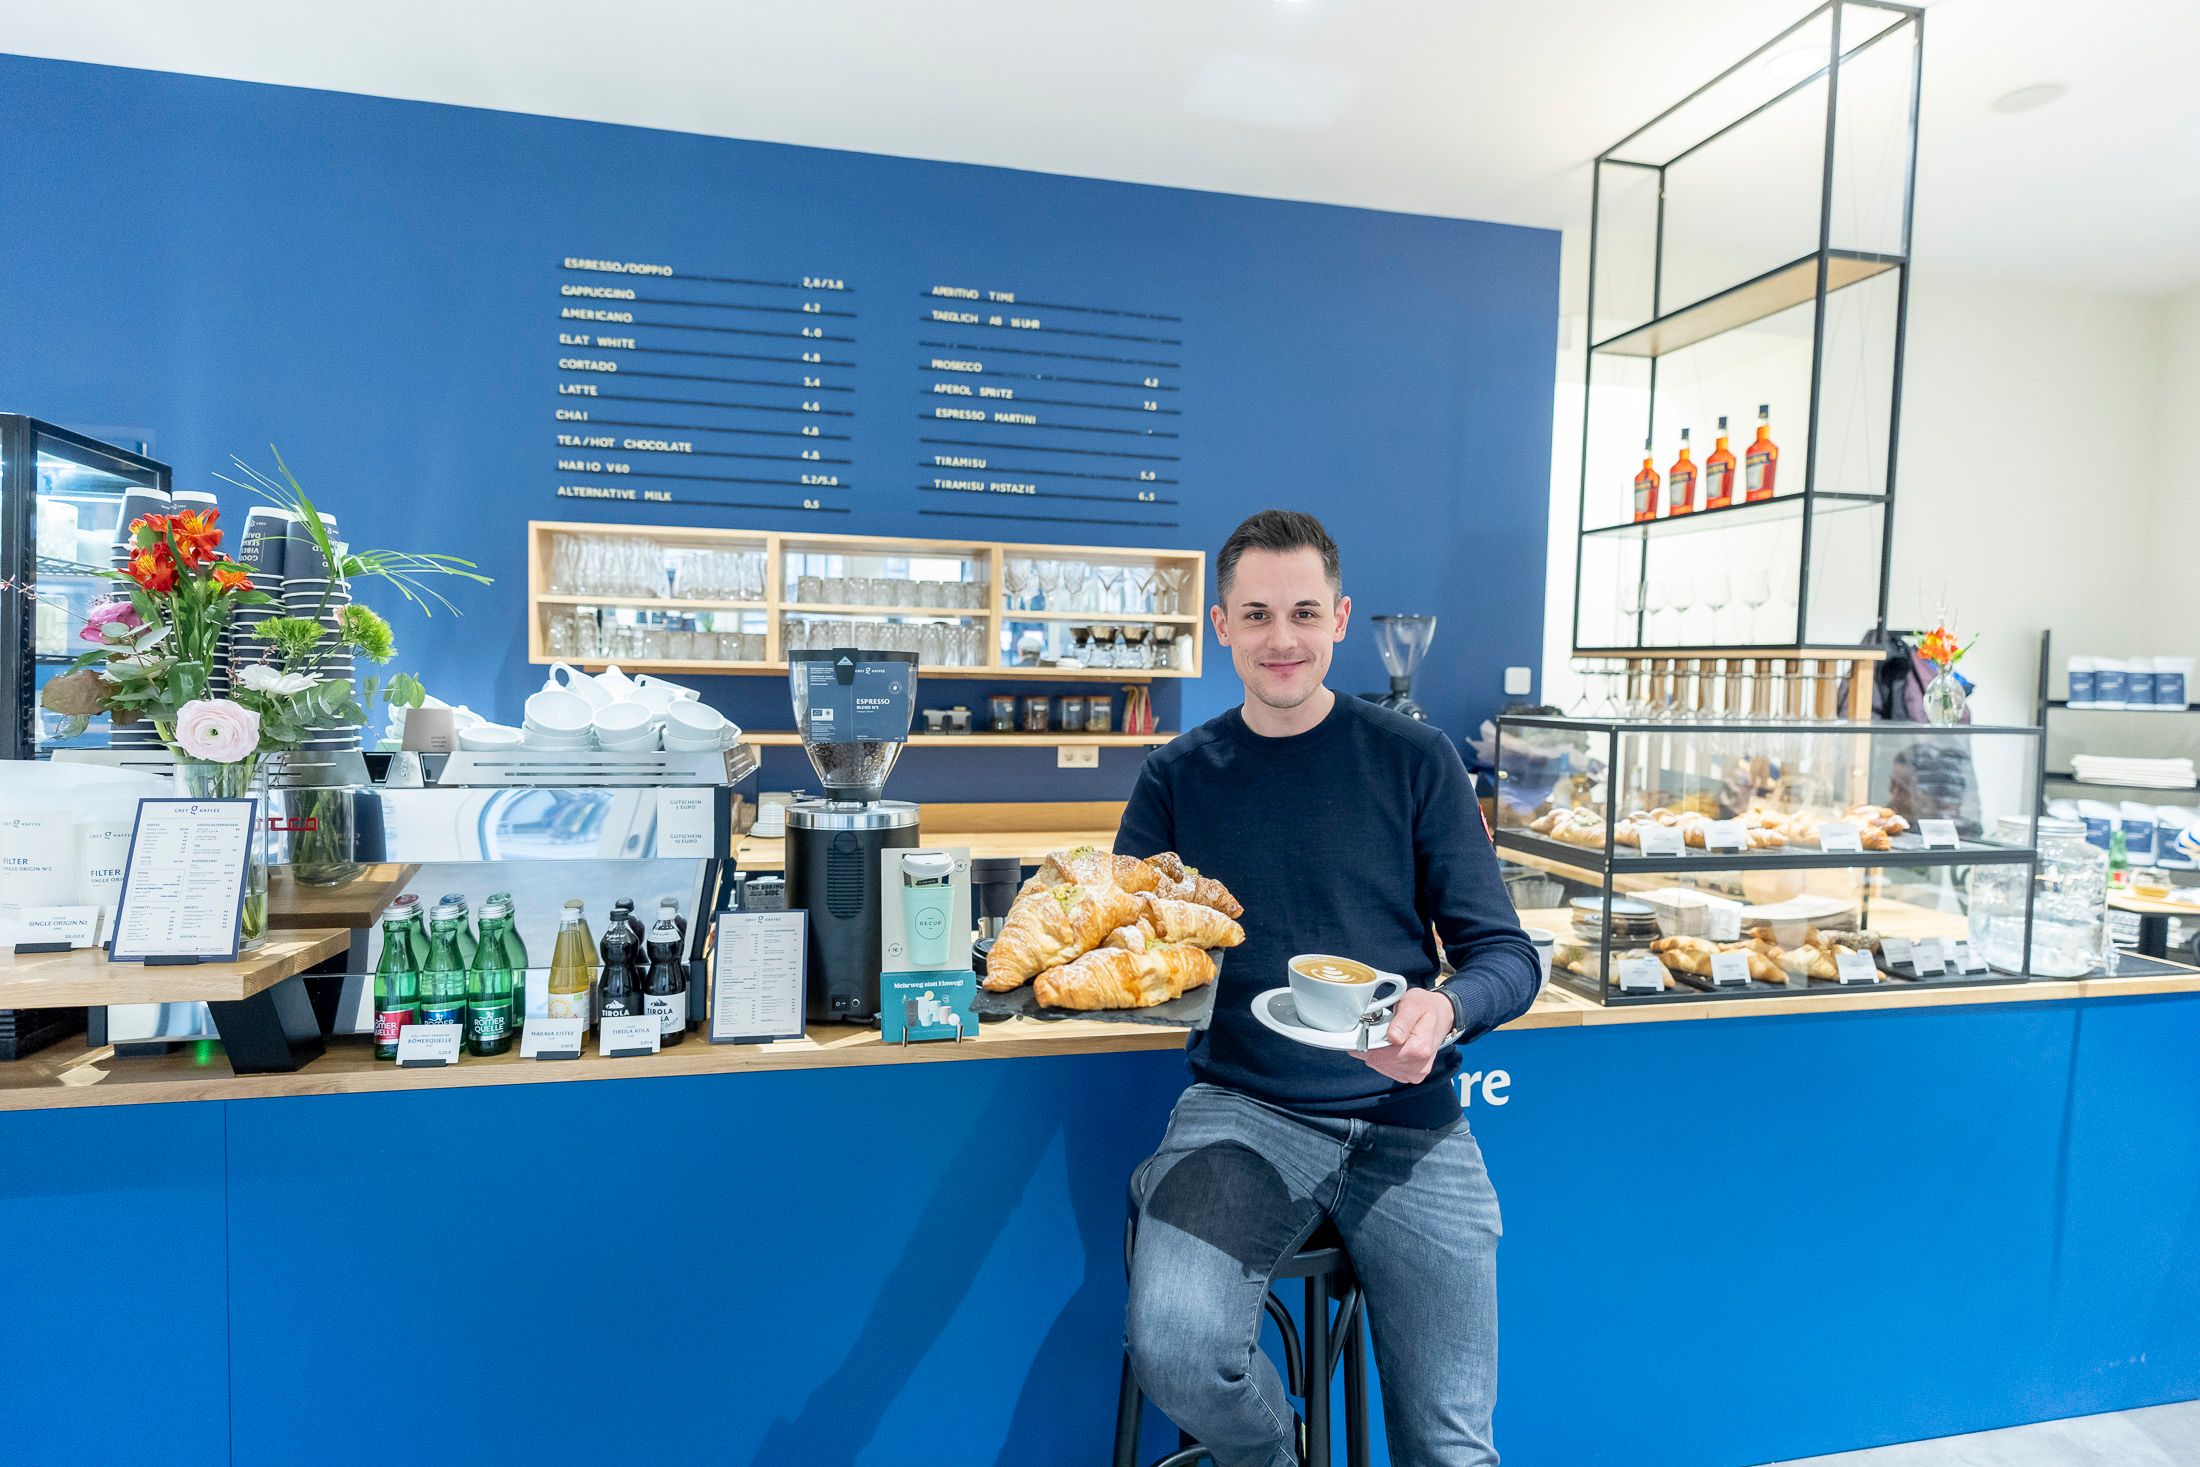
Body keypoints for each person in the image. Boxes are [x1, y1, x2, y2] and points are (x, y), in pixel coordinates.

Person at [1116, 509, 1540, 1467]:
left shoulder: (1415, 760)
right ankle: (1282, 1455)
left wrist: (1446, 1007)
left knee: (1452, 1449)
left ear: (1340, 619)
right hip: (1241, 1109)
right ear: (1219, 624)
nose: (1282, 638)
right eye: (1256, 614)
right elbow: (1127, 930)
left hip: (1412, 1121)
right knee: (1180, 1349)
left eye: (1304, 612)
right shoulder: (1176, 776)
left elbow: (1508, 956)